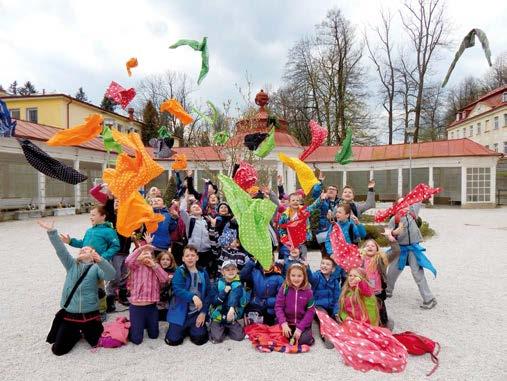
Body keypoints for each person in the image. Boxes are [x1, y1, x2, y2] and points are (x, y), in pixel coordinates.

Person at [38, 219, 116, 356]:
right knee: (58, 350)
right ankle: (75, 334)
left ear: (93, 256)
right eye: (82, 249)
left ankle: (83, 332)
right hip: (70, 315)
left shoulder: (96, 267)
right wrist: (51, 231)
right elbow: (61, 250)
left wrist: (101, 260)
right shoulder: (71, 265)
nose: (84, 249)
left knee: (96, 342)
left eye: (88, 249)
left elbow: (111, 275)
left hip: (90, 314)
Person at [60, 205, 120, 318]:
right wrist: (70, 241)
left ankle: (101, 311)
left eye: (93, 214)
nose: (90, 217)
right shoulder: (89, 230)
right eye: (90, 215)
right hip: (85, 263)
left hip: (98, 264)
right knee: (85, 285)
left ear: (103, 216)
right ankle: (82, 307)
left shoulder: (109, 231)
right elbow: (83, 243)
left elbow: (115, 246)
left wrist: (102, 257)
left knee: (99, 289)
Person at [384, 201, 437, 309]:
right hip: (399, 250)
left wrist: (418, 196)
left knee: (417, 273)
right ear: (396, 207)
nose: (404, 206)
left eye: (406, 204)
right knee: (392, 272)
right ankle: (387, 291)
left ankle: (429, 298)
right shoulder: (394, 219)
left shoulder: (413, 213)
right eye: (401, 204)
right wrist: (394, 233)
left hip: (413, 249)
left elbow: (417, 199)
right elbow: (387, 234)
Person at [125, 233, 169, 344]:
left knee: (154, 335)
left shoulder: (155, 267)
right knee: (136, 340)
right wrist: (142, 248)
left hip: (151, 307)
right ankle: (133, 326)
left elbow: (165, 279)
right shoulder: (135, 266)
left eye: (148, 254)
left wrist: (154, 266)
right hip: (136, 307)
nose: (146, 255)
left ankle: (140, 324)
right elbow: (128, 261)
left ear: (152, 256)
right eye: (143, 254)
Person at [165, 245, 211, 346]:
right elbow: (177, 289)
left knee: (200, 339)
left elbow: (209, 293)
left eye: (192, 255)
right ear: (183, 258)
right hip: (180, 312)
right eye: (187, 256)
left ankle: (192, 328)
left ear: (197, 257)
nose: (190, 258)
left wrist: (203, 313)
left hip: (196, 313)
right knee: (173, 341)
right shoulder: (179, 271)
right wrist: (193, 297)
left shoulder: (203, 272)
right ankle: (180, 328)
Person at [274, 263, 315, 346]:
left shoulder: (308, 291)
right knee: (279, 338)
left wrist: (300, 328)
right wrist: (283, 323)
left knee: (304, 340)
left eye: (299, 276)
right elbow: (278, 307)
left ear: (304, 277)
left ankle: (304, 334)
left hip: (301, 324)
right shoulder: (284, 288)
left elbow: (310, 311)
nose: (296, 279)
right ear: (289, 276)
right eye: (293, 275)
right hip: (287, 322)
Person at [307, 256, 344, 348]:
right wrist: (307, 268)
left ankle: (340, 336)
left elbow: (337, 298)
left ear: (333, 268)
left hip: (330, 306)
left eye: (328, 264)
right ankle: (326, 337)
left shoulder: (335, 281)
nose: (324, 266)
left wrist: (336, 311)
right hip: (318, 306)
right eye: (322, 263)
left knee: (338, 319)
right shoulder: (317, 276)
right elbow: (310, 278)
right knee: (324, 318)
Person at [208, 261, 246, 343]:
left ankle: (227, 328)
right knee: (217, 338)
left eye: (233, 269)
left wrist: (232, 308)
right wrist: (224, 292)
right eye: (227, 269)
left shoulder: (238, 285)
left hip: (231, 316)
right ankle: (216, 327)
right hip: (218, 315)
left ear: (237, 271)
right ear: (222, 272)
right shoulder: (217, 283)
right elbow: (213, 301)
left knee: (239, 337)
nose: (231, 271)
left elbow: (235, 296)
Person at [240, 257, 284, 325]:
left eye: (269, 261)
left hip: (270, 309)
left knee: (267, 330)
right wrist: (251, 261)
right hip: (255, 305)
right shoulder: (255, 271)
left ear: (273, 262)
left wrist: (267, 302)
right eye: (264, 260)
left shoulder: (279, 277)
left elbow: (281, 297)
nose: (266, 263)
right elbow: (243, 276)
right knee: (253, 330)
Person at [179, 192, 213, 275]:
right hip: (194, 251)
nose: (197, 207)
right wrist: (186, 198)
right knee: (193, 271)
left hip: (206, 251)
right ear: (190, 212)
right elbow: (182, 210)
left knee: (204, 272)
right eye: (194, 207)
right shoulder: (189, 220)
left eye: (198, 206)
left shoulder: (206, 221)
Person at [156, 251, 177, 321]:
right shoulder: (155, 271)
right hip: (156, 302)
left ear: (171, 261)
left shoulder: (175, 272)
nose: (165, 261)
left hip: (169, 303)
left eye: (168, 260)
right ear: (159, 260)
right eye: (163, 259)